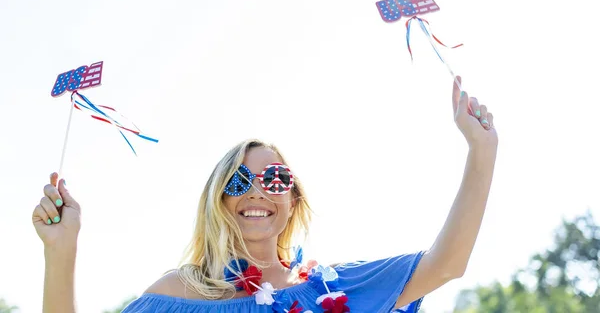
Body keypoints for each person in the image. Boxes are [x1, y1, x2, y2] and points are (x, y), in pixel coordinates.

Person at [32, 77, 498, 312]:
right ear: (218, 201)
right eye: (238, 181)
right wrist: (61, 252)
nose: (258, 191)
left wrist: (482, 152)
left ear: (292, 199)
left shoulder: (335, 288)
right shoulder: (177, 295)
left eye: (275, 178)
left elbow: (445, 265)